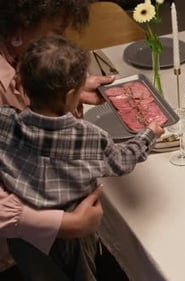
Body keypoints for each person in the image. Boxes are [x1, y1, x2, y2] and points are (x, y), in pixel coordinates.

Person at [2, 34, 164, 281]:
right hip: (73, 236)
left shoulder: (4, 124)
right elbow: (122, 161)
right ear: (70, 95)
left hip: (25, 235)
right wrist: (148, 135)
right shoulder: (89, 136)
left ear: (20, 83)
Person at [0, 0, 116, 277]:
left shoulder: (14, 54)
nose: (60, 41)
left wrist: (58, 91)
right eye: (57, 32)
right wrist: (64, 225)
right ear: (21, 25)